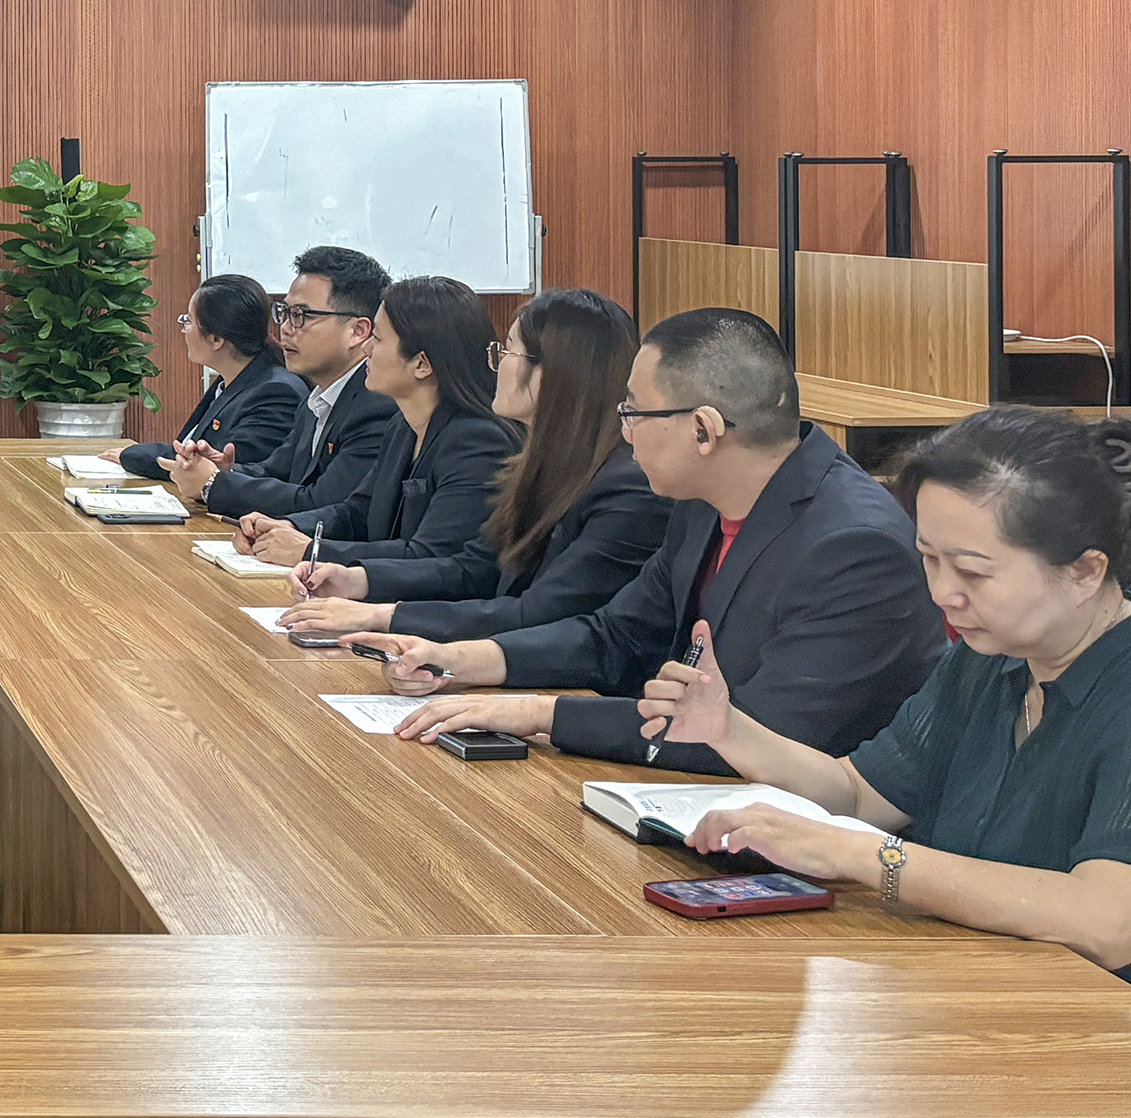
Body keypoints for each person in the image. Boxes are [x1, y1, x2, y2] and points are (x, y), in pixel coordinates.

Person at [645, 408, 1131, 987]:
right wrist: (727, 728)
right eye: (930, 559)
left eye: (973, 572)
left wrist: (864, 857)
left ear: (1087, 571)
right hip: (971, 993)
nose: (944, 593)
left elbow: (1110, 922)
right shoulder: (994, 657)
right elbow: (861, 795)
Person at [380, 305, 943, 770]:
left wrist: (539, 714)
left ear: (703, 429)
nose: (624, 431)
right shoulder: (703, 501)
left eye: (633, 412)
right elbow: (614, 636)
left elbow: (757, 735)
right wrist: (459, 659)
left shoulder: (854, 547)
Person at [279, 287, 668, 641]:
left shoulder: (624, 488)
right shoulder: (536, 462)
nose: (496, 366)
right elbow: (476, 567)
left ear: (553, 374)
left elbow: (539, 614)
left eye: (507, 352)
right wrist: (356, 581)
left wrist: (384, 617)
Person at [227, 276, 516, 588]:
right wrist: (285, 527)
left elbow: (432, 557)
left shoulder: (477, 441)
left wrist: (311, 551)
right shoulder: (404, 425)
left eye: (377, 339)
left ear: (421, 364)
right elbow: (356, 513)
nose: (365, 349)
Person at [174, 245, 396, 520]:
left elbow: (321, 502)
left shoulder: (377, 404)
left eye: (302, 316)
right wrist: (223, 470)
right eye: (285, 312)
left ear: (357, 331)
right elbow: (276, 471)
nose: (286, 328)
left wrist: (213, 485)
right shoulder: (317, 397)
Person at [119, 273, 305, 483]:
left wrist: (128, 455)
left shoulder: (277, 392)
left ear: (216, 339)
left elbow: (210, 465)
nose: (184, 330)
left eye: (188, 321)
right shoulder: (234, 378)